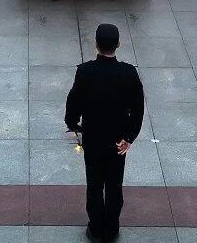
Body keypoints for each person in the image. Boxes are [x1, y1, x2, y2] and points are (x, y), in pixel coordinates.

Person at [65, 23, 144, 243]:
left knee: (94, 185)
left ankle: (96, 228)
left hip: (93, 139)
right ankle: (112, 229)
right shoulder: (129, 73)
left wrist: (72, 123)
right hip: (118, 141)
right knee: (114, 186)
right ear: (118, 44)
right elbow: (138, 109)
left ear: (96, 44)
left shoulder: (85, 72)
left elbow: (73, 102)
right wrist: (129, 137)